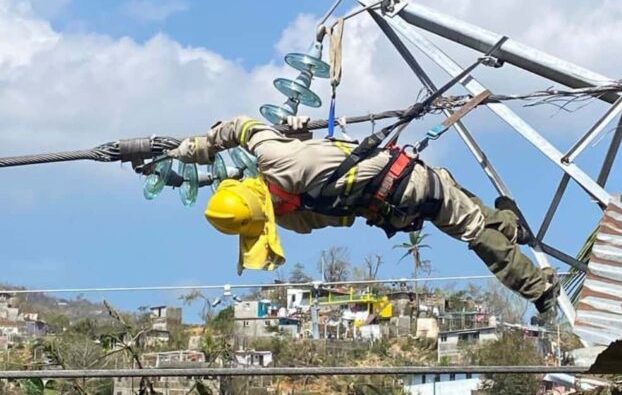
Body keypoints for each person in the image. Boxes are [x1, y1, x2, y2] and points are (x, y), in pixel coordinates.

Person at [168, 115, 559, 313]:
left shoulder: (292, 218)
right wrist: (200, 147)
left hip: (397, 212)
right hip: (412, 182)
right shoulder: (276, 156)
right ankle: (539, 290)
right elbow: (241, 126)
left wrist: (302, 143)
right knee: (474, 229)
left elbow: (344, 215)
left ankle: (511, 225)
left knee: (457, 197)